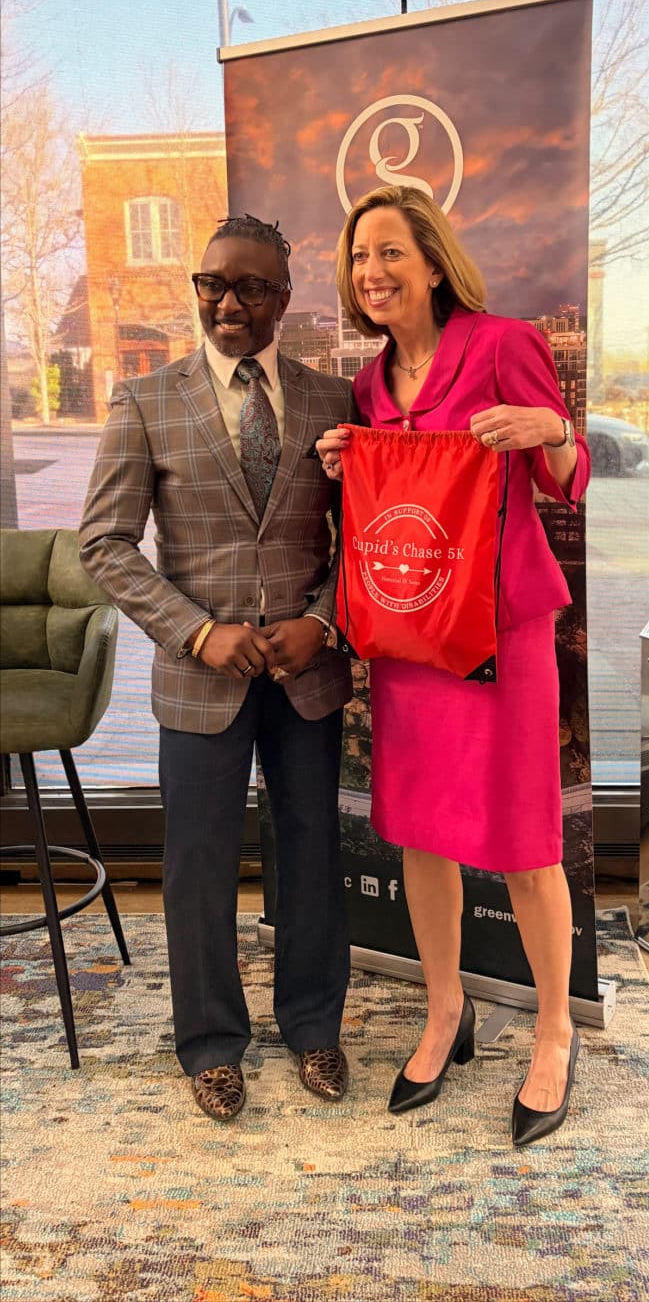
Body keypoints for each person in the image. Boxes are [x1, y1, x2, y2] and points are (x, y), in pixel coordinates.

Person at [316, 185, 591, 1147]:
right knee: (420, 833)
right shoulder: (364, 387)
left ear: (432, 259)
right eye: (358, 259)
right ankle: (446, 1009)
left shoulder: (505, 343)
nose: (372, 272)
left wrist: (547, 432)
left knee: (523, 840)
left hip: (502, 631)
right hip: (409, 634)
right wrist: (340, 461)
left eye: (388, 251)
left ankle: (553, 1030)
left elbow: (569, 473)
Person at [79, 214, 356, 1121]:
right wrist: (198, 632)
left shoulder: (331, 402)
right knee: (198, 861)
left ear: (284, 296)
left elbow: (366, 541)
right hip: (201, 677)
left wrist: (322, 620)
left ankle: (315, 1027)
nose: (225, 302)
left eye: (248, 288)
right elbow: (107, 545)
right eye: (211, 285)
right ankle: (208, 1041)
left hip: (305, 673)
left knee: (313, 850)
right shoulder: (146, 400)